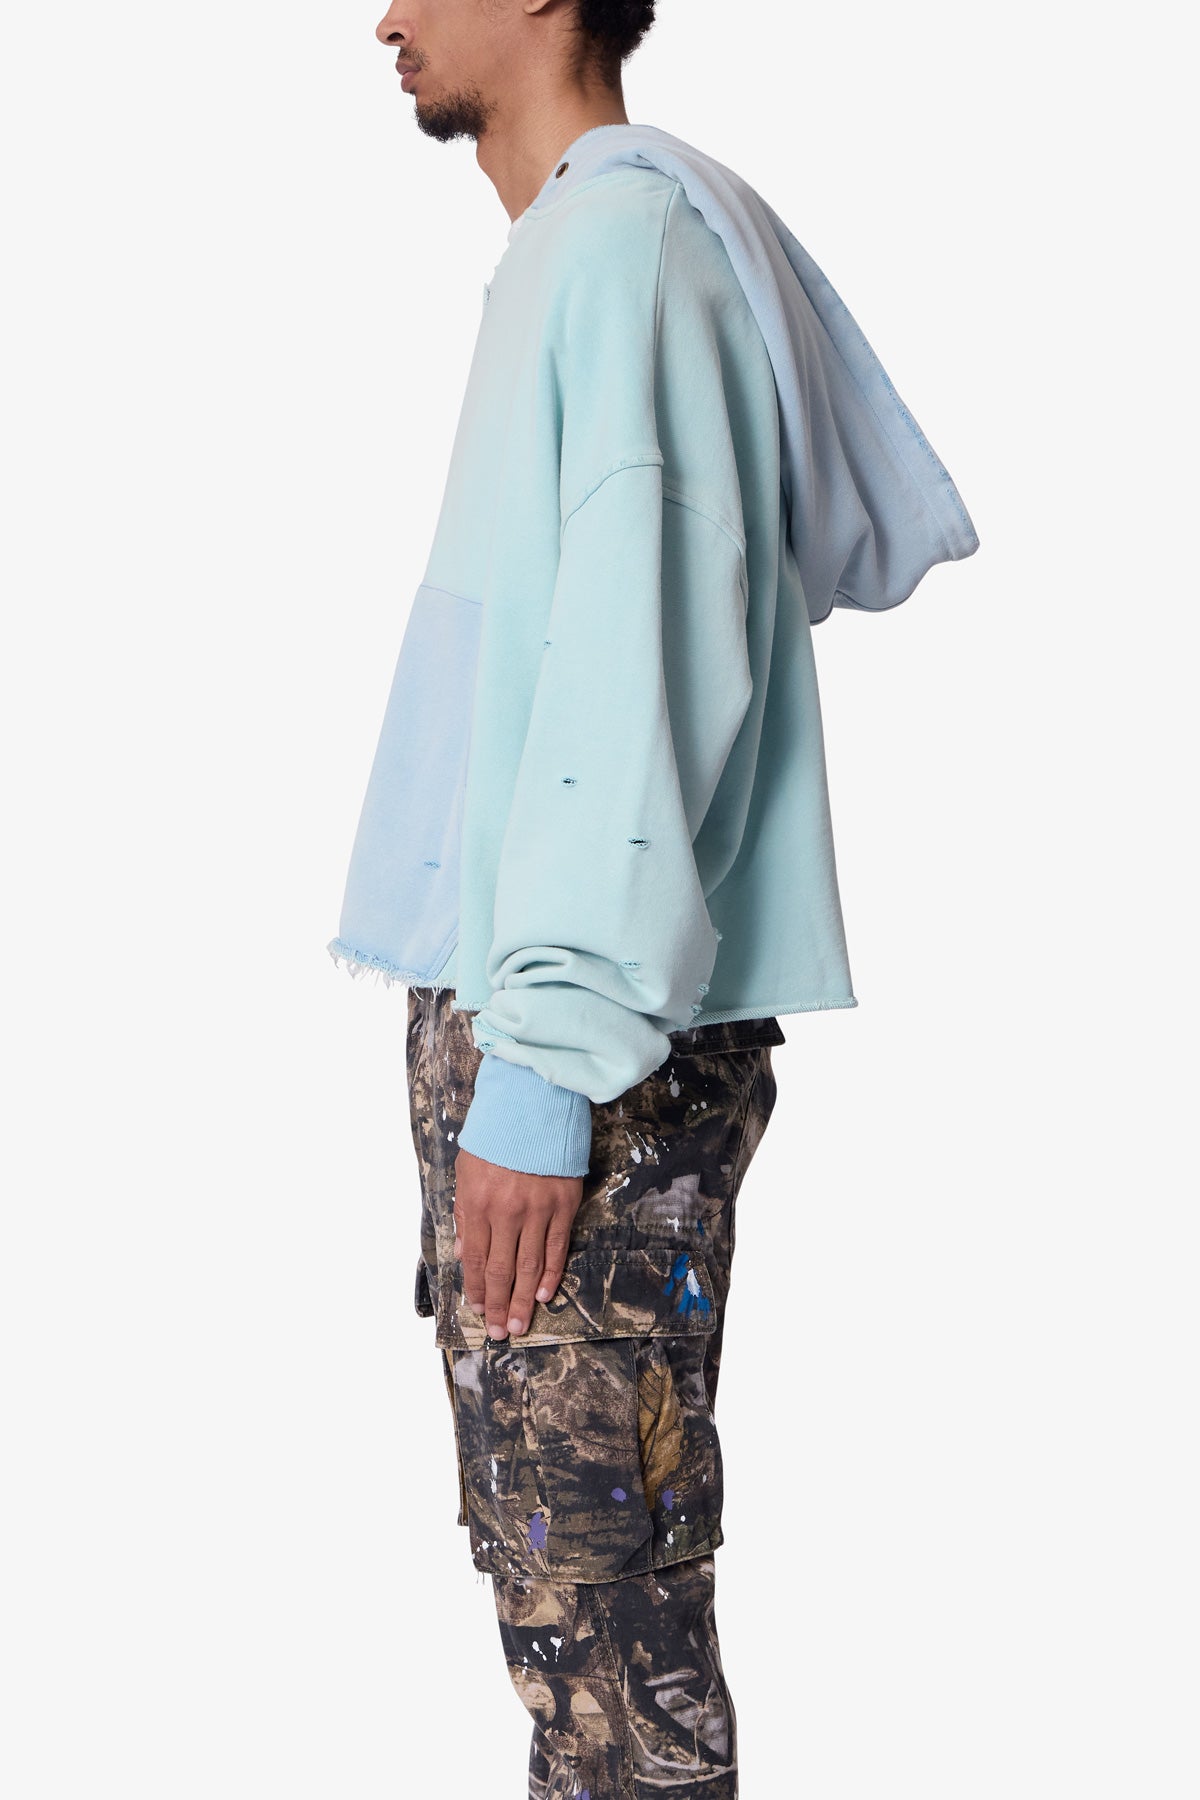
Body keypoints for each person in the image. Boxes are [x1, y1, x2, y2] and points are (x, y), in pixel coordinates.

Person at [328, 4, 978, 1794]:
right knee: (571, 1630)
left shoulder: (625, 249)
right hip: (552, 1011)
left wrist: (540, 1067)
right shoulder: (587, 250)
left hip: (585, 1044)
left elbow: (640, 678)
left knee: (610, 1643)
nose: (385, 14)